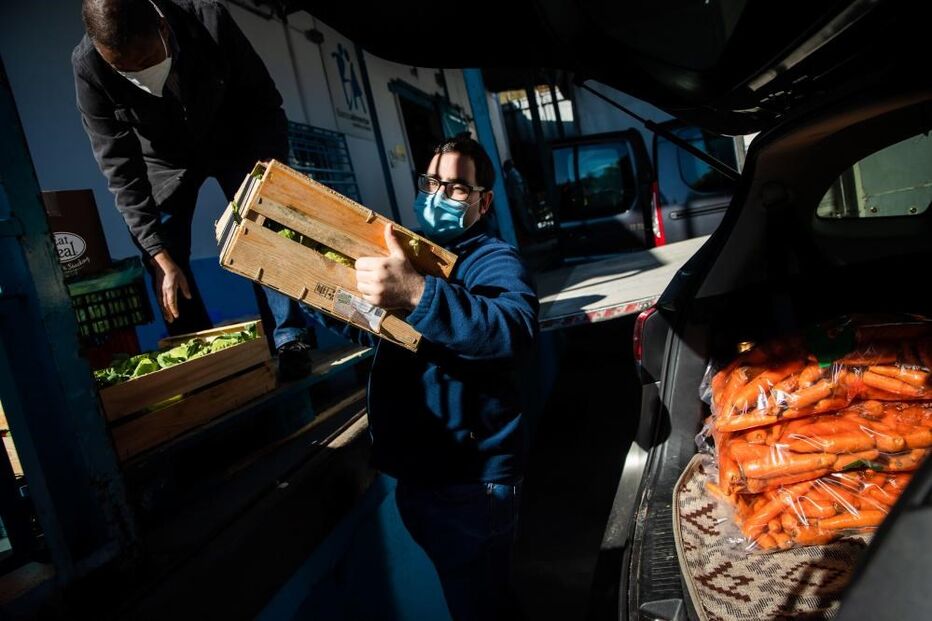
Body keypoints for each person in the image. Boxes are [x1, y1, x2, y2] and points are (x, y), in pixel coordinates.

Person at [305, 134, 538, 619]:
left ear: (483, 201)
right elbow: (383, 333)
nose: (436, 196)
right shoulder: (409, 255)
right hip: (423, 475)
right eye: (430, 182)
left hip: (471, 481)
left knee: (481, 604)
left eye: (454, 188)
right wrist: (321, 296)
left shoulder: (492, 260)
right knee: (474, 598)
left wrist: (416, 293)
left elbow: (511, 330)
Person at [72, 0, 312, 378]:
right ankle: (197, 355)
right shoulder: (89, 67)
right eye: (125, 70)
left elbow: (264, 102)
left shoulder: (208, 19)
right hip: (164, 158)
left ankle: (290, 338)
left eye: (147, 60)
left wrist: (268, 176)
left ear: (163, 29)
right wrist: (157, 252)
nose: (139, 75)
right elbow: (118, 167)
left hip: (236, 139)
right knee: (161, 250)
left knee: (262, 226)